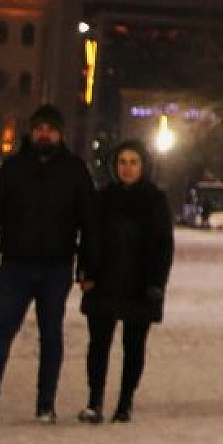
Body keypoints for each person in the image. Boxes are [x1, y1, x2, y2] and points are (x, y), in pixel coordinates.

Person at [0, 104, 99, 428]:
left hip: (56, 267)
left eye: (50, 129)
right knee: (1, 331)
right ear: (31, 131)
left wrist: (87, 266)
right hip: (16, 264)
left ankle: (45, 403)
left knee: (50, 335)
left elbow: (90, 222)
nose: (44, 134)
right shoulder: (13, 168)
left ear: (60, 133)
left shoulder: (75, 170)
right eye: (39, 128)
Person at [76, 139, 175, 424]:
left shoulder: (155, 200)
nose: (127, 169)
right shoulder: (103, 198)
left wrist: (157, 283)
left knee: (134, 345)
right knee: (98, 344)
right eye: (122, 162)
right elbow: (89, 239)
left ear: (143, 166)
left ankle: (125, 402)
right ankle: (95, 401)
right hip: (104, 281)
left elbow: (163, 246)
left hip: (140, 284)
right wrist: (85, 272)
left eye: (133, 163)